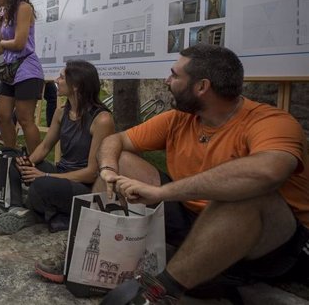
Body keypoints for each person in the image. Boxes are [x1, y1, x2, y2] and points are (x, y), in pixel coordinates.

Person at [93, 44, 309, 304]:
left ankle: (160, 293)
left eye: (174, 75)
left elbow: (267, 172)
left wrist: (162, 193)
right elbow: (115, 140)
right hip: (195, 220)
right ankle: (95, 260)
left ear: (201, 87)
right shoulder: (178, 119)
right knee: (123, 161)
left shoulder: (270, 122)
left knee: (248, 194)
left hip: (270, 246)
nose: (167, 80)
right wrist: (107, 169)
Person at [0, 60, 115, 235]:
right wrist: (26, 163)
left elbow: (91, 172)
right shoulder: (61, 112)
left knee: (41, 184)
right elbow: (44, 146)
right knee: (13, 162)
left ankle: (38, 212)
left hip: (84, 186)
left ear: (76, 86)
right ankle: (18, 209)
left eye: (61, 77)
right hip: (60, 174)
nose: (56, 81)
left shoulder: (102, 120)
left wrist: (45, 175)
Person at [0, 0, 45, 155]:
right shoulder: (3, 13)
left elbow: (19, 43)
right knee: (2, 114)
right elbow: (0, 47)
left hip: (27, 70)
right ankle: (11, 156)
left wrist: (4, 44)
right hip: (9, 72)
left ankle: (35, 162)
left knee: (24, 119)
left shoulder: (24, 8)